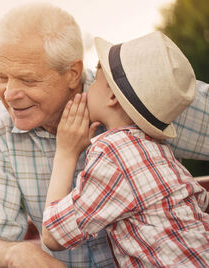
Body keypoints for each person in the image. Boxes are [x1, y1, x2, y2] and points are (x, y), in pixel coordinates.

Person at [0, 3, 209, 267]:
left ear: (72, 74)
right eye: (1, 77)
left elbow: (55, 232)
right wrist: (15, 253)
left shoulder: (144, 93)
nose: (9, 94)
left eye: (28, 80)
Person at [42, 31, 209, 267]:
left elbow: (53, 234)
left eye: (96, 82)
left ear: (111, 95)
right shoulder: (158, 149)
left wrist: (66, 153)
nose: (87, 91)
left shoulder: (112, 153)